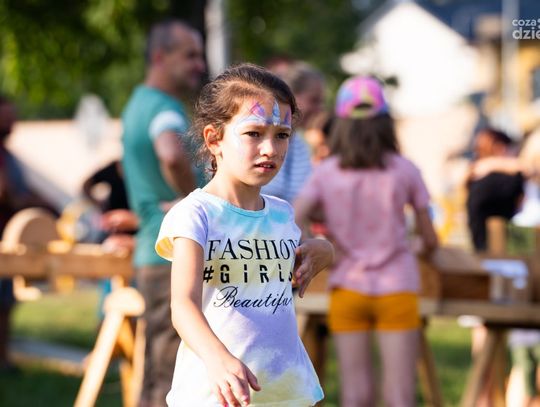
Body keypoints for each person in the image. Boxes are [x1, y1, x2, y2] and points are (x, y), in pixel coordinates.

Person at [155, 63, 334, 406]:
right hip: (217, 394)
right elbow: (183, 305)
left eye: (282, 135)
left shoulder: (282, 214)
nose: (270, 148)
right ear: (214, 139)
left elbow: (300, 258)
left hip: (286, 393)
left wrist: (325, 250)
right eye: (254, 133)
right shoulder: (196, 215)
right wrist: (218, 359)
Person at [295, 76, 438, 407]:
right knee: (400, 394)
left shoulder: (327, 172)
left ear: (341, 125)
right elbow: (430, 238)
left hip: (348, 286)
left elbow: (295, 215)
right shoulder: (405, 169)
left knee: (355, 394)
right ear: (386, 122)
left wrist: (320, 245)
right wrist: (417, 247)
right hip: (398, 286)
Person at [121, 19, 206, 407]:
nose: (199, 65)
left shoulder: (138, 103)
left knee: (159, 371)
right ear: (160, 56)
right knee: (172, 378)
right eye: (189, 55)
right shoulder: (162, 108)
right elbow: (171, 153)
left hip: (155, 253)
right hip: (172, 254)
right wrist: (197, 202)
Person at [0, 95, 53, 372]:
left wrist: (49, 205)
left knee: (5, 304)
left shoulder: (8, 155)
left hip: (10, 244)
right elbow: (6, 193)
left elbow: (25, 189)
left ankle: (3, 358)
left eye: (13, 116)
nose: (12, 122)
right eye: (6, 116)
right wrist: (28, 203)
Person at [261, 61, 325, 203]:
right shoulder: (260, 141)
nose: (319, 109)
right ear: (291, 95)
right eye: (314, 100)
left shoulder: (301, 146)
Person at [466, 128, 524, 251]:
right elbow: (529, 169)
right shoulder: (502, 180)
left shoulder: (479, 178)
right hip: (503, 252)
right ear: (501, 148)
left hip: (485, 250)